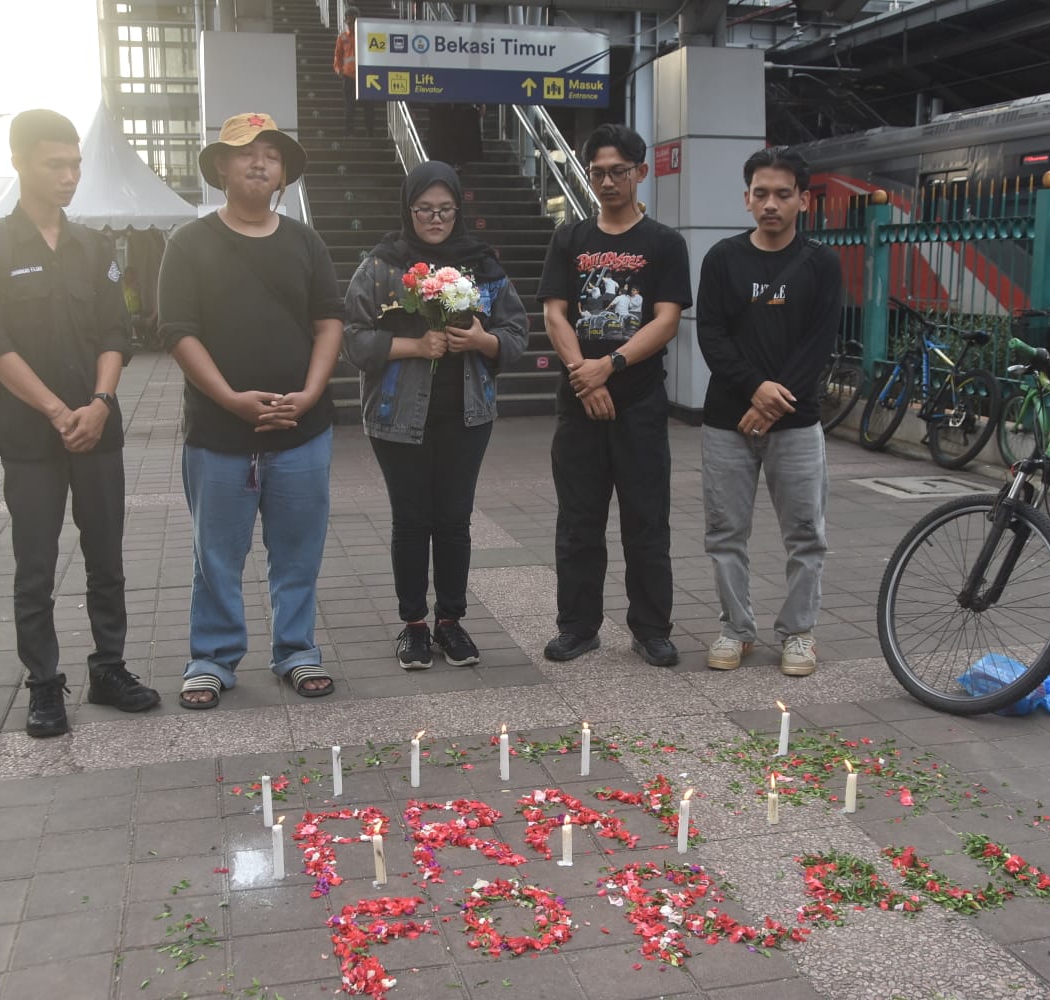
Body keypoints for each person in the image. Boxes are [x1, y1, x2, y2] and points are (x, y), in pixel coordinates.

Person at [0, 109, 160, 738]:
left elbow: (114, 332)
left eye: (75, 163)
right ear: (19, 162)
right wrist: (56, 411)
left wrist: (99, 404)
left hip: (98, 429)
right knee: (36, 566)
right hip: (30, 436)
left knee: (107, 557)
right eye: (56, 164)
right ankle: (45, 685)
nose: (70, 175)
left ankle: (109, 669)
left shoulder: (94, 247)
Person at [158, 112, 343, 709]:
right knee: (216, 555)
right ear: (220, 167)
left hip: (302, 429)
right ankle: (212, 657)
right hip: (219, 431)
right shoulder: (189, 243)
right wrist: (232, 400)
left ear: (283, 173)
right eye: (244, 152)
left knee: (298, 551)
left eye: (271, 154)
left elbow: (328, 324)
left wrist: (312, 394)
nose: (259, 162)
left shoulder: (305, 242)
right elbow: (179, 332)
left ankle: (296, 651)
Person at [342, 161, 529, 669]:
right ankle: (414, 626)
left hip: (467, 416)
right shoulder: (383, 266)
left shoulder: (482, 266)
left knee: (453, 520)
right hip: (397, 416)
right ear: (408, 208)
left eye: (445, 209)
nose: (435, 218)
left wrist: (481, 340)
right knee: (411, 521)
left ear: (458, 210)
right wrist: (413, 344)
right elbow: (353, 339)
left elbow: (516, 333)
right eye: (425, 209)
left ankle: (451, 621)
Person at [537, 123, 692, 668]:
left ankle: (652, 629)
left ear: (640, 172)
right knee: (579, 522)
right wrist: (584, 374)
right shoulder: (570, 239)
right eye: (598, 172)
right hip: (578, 404)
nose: (607, 181)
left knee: (646, 521)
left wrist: (611, 365)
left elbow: (666, 319)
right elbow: (554, 311)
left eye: (618, 172)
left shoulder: (664, 243)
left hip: (641, 405)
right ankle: (578, 627)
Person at [695, 146, 841, 676]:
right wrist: (756, 388)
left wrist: (774, 404)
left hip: (797, 423)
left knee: (806, 533)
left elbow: (818, 343)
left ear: (803, 199)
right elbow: (710, 335)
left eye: (783, 194)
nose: (771, 204)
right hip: (726, 421)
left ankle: (798, 632)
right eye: (761, 194)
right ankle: (736, 629)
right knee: (724, 532)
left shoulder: (821, 263)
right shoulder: (722, 259)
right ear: (746, 198)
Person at [334, 8, 377, 136]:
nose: (351, 24)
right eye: (349, 22)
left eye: (353, 21)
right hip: (349, 76)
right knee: (349, 106)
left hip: (366, 77)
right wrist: (339, 71)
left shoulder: (368, 35)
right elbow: (337, 56)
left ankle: (370, 132)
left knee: (369, 106)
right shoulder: (342, 38)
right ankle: (349, 132)